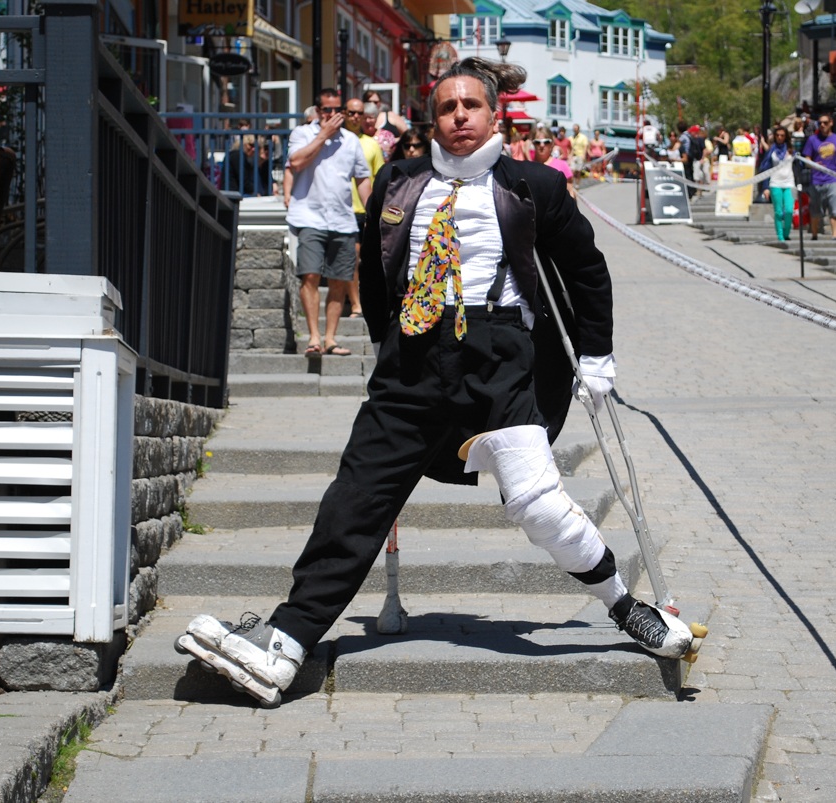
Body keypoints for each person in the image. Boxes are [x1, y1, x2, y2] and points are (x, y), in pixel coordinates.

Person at [177, 56, 695, 707]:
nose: (458, 117)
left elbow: (588, 272)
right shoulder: (395, 184)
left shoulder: (536, 187)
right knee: (356, 497)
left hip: (502, 360)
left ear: (492, 112)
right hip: (413, 363)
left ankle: (623, 606)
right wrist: (388, 346)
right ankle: (286, 640)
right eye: (446, 108)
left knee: (539, 505)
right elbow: (371, 272)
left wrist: (597, 359)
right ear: (433, 117)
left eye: (470, 106)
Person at [282, 89, 372, 357]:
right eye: (327, 110)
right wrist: (322, 136)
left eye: (337, 111)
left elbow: (362, 178)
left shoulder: (351, 141)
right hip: (309, 215)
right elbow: (295, 162)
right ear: (319, 111)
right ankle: (313, 337)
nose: (332, 115)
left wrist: (373, 212)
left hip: (342, 220)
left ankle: (330, 338)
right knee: (309, 275)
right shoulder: (302, 134)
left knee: (339, 280)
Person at [343, 98, 386, 319]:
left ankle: (364, 300)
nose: (355, 117)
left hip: (364, 210)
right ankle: (355, 304)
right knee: (352, 256)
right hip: (344, 210)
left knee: (365, 258)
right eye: (351, 113)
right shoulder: (337, 141)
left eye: (359, 113)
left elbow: (380, 177)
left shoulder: (372, 145)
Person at [802, 114, 836, 240]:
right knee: (816, 210)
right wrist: (812, 164)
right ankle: (814, 234)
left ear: (831, 123)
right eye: (820, 123)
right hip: (817, 180)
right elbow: (806, 158)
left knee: (835, 207)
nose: (822, 125)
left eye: (825, 123)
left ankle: (834, 235)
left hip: (833, 179)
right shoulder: (812, 140)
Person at [759, 125, 796, 242]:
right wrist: (765, 187)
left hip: (789, 183)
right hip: (775, 183)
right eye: (778, 135)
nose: (780, 137)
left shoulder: (791, 151)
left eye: (782, 135)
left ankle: (786, 232)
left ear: (786, 137)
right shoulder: (771, 151)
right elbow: (765, 169)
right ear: (775, 136)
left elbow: (798, 166)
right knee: (778, 212)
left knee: (789, 210)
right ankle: (780, 236)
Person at [363, 88, 407, 161]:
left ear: (380, 102)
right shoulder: (361, 119)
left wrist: (392, 141)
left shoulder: (390, 116)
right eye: (369, 102)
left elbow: (408, 135)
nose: (373, 104)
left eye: (375, 102)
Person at [534, 133, 576, 198]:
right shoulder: (527, 167)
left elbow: (570, 191)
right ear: (533, 144)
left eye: (546, 142)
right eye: (537, 142)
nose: (541, 145)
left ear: (552, 144)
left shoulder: (562, 165)